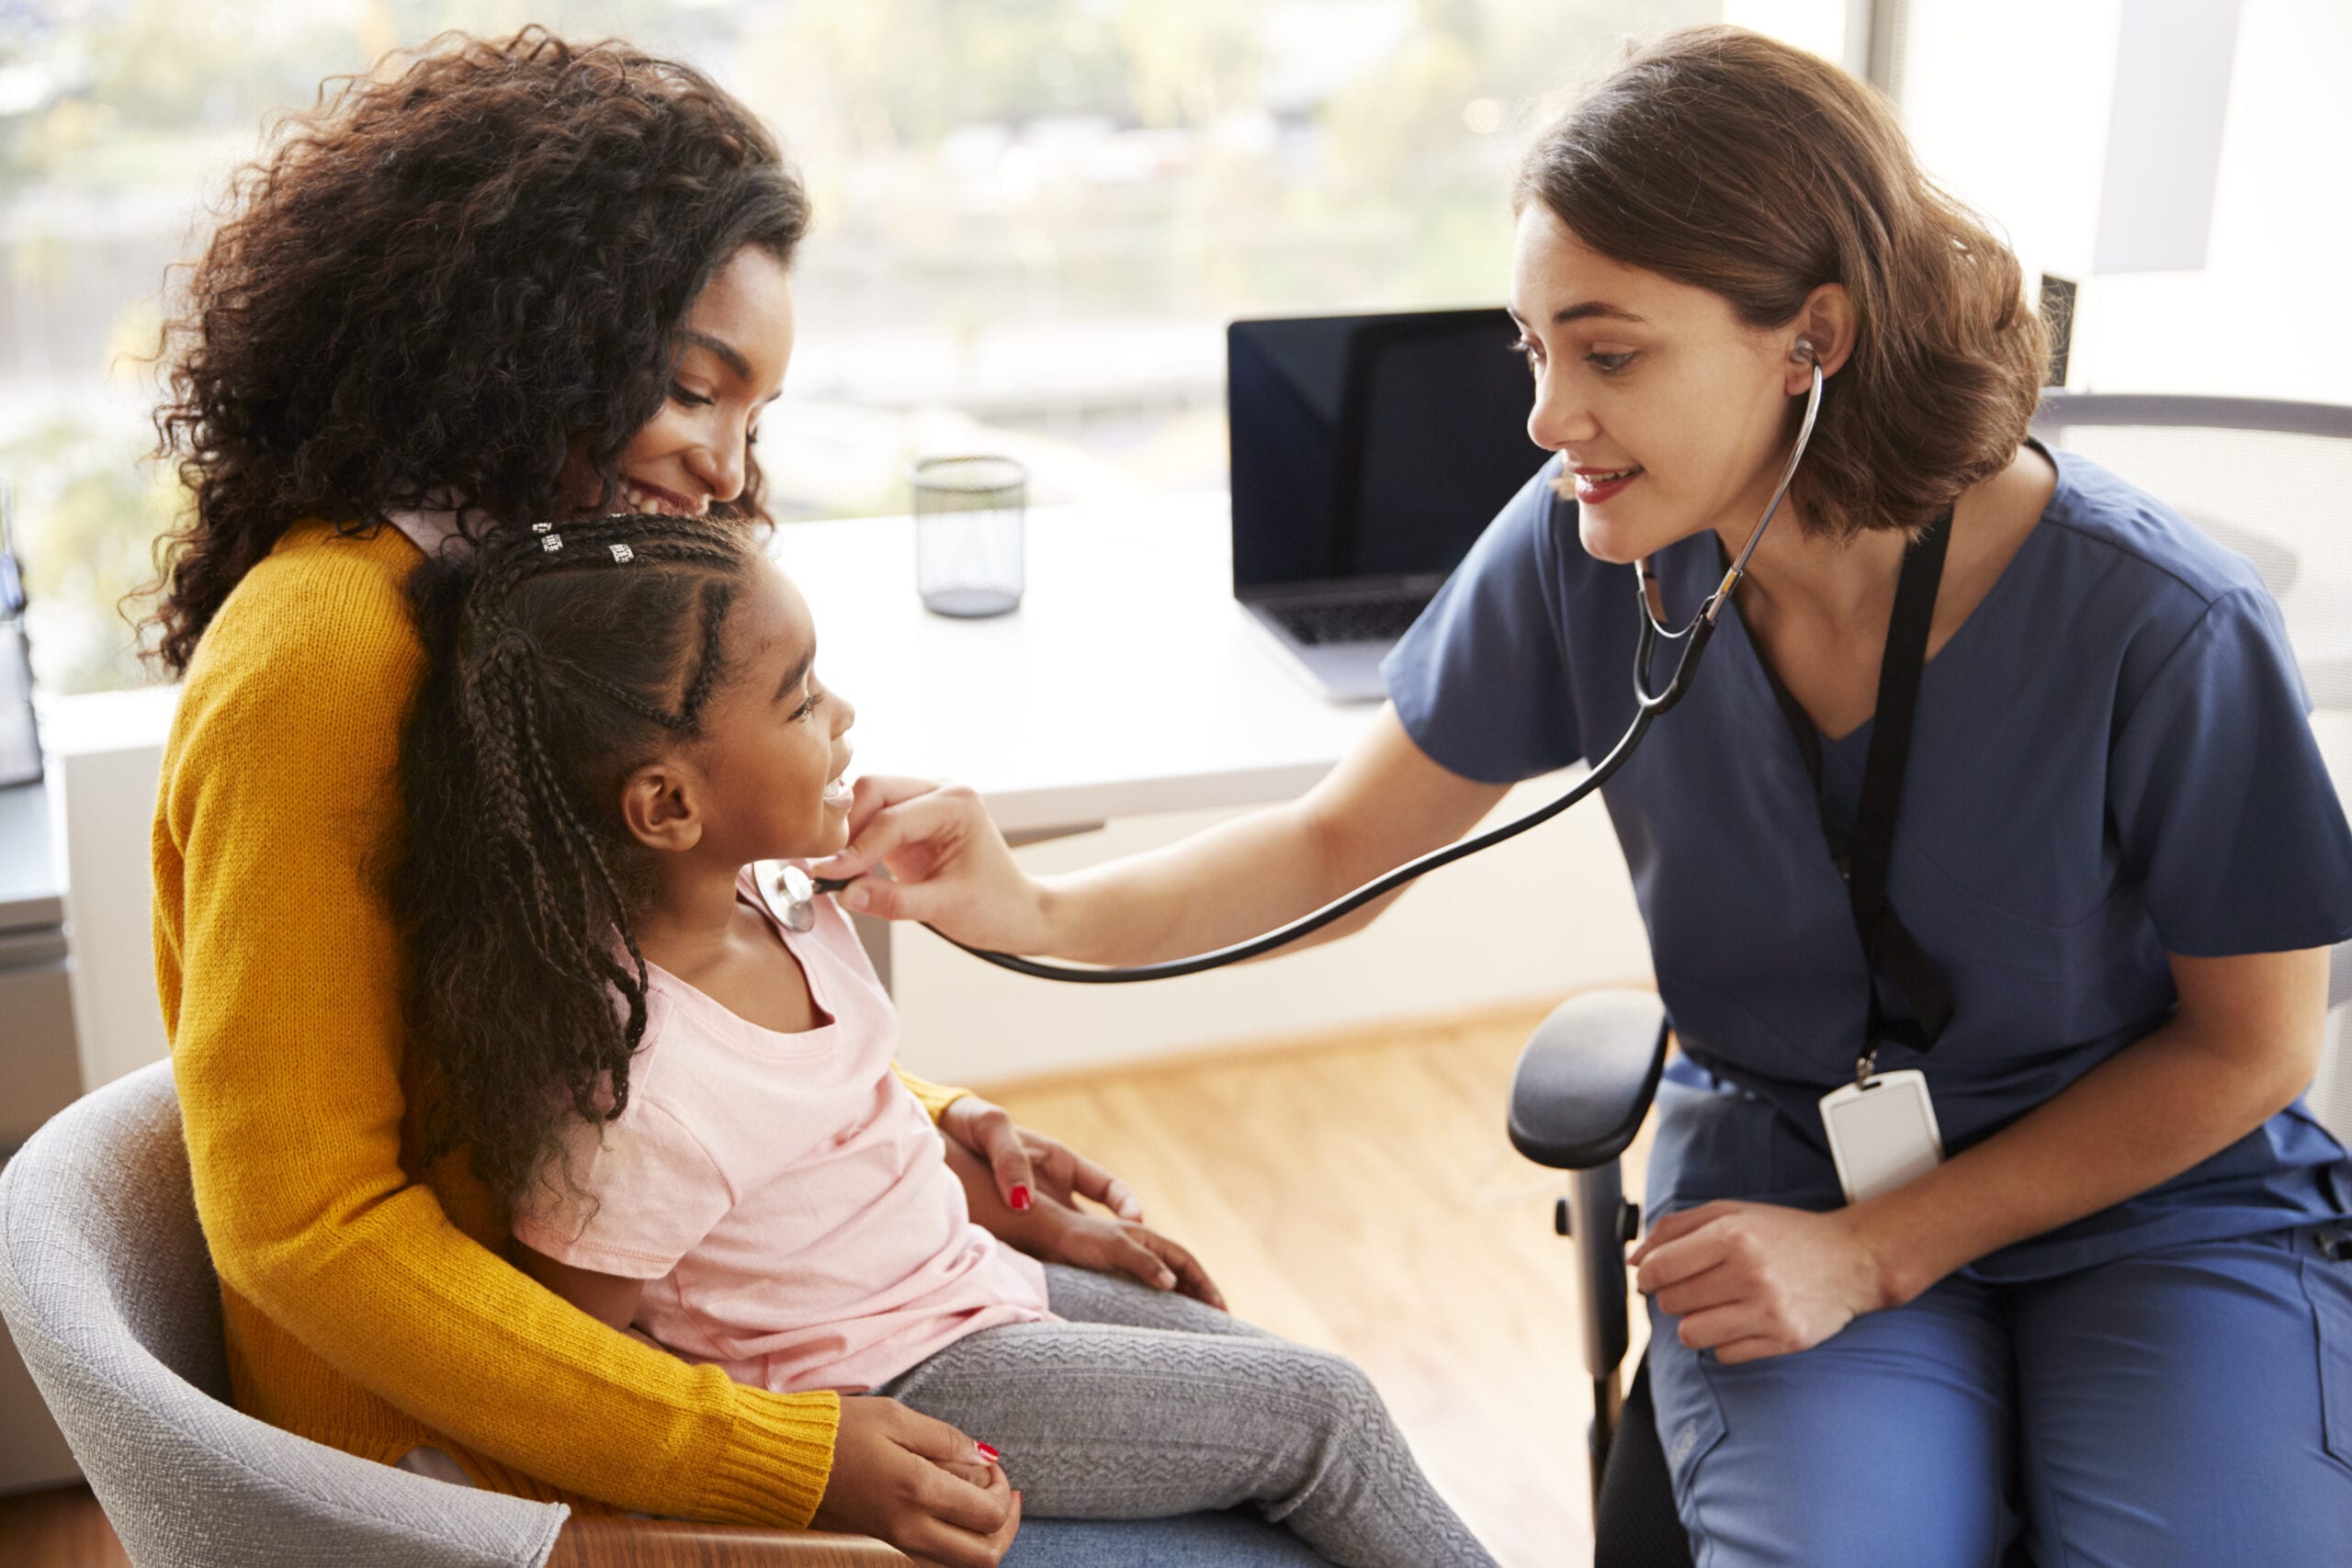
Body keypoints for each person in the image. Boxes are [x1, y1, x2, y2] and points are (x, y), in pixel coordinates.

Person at [805, 26, 2352, 1567]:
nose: (1548, 418)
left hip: (2156, 1196)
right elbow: (1341, 843)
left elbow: (2255, 1043)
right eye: (1533, 348)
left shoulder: (2158, 619)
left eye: (1611, 352)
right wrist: (1028, 903)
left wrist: (1885, 1250)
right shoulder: (1586, 547)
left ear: (1812, 338)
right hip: (1793, 1168)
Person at [143, 30, 1271, 1566]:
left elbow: (629, 1047)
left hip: (667, 1348)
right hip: (471, 1479)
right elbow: (304, 1229)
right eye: (691, 388)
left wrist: (939, 1137)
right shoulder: (326, 653)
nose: (726, 466)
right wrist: (777, 1457)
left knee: (1254, 1409)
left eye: (757, 413)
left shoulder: (524, 606)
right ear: (529, 332)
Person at [382, 513, 1498, 1568]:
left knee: (1279, 1375)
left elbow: (843, 1151)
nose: (845, 717)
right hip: (897, 1377)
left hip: (967, 1282)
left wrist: (1020, 1208)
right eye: (801, 701)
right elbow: (582, 1369)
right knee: (1326, 1412)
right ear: (667, 807)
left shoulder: (781, 901)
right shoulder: (643, 1100)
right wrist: (799, 1477)